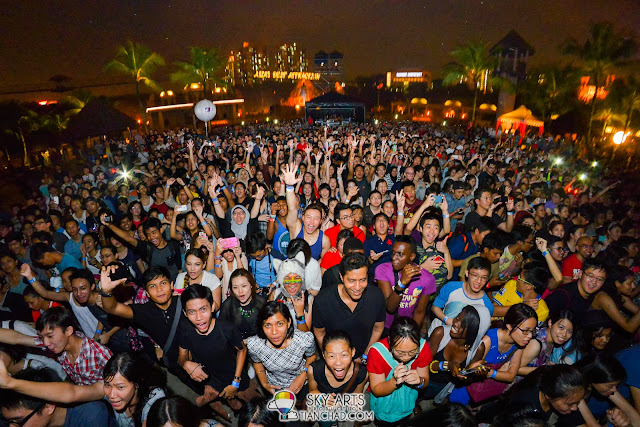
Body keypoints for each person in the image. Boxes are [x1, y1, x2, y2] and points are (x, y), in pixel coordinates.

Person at [178, 285, 258, 414]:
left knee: (252, 406)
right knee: (233, 404)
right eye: (192, 312)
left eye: (203, 309)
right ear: (185, 313)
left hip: (235, 377)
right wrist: (185, 363)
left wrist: (235, 383)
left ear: (213, 307)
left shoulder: (227, 328)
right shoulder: (185, 331)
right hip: (212, 380)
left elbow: (242, 350)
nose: (199, 317)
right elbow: (182, 356)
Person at [99, 265, 187, 372]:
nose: (159, 290)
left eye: (163, 283)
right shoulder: (143, 312)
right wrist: (106, 292)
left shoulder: (185, 302)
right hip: (174, 362)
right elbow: (112, 308)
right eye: (153, 286)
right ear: (147, 293)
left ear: (172, 285)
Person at [0, 306, 112, 387]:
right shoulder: (57, 344)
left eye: (50, 336)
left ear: (68, 331)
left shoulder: (99, 353)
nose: (46, 343)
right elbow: (18, 338)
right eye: (42, 337)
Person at [449, 304, 538, 405]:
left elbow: (510, 376)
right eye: (525, 331)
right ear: (509, 326)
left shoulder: (519, 345)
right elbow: (467, 372)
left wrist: (490, 373)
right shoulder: (488, 341)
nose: (530, 336)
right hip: (465, 387)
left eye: (532, 331)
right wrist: (496, 374)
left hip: (482, 390)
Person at [312, 252, 386, 361]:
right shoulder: (323, 300)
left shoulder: (376, 296)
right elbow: (319, 332)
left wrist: (365, 356)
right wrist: (332, 358)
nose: (357, 287)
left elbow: (378, 328)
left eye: (362, 280)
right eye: (351, 281)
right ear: (341, 277)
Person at [368, 317, 431, 426]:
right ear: (389, 341)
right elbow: (377, 389)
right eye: (400, 352)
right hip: (384, 403)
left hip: (407, 400)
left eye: (413, 352)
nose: (406, 357)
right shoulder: (376, 352)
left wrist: (420, 381)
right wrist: (394, 382)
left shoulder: (423, 347)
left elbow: (425, 381)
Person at [0, 368, 115, 427]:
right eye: (9, 422)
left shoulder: (92, 416)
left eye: (18, 422)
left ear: (49, 406)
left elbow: (72, 392)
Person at [246, 301, 316, 397]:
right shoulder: (255, 345)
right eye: (268, 325)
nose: (274, 332)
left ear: (288, 323)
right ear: (262, 327)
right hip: (274, 387)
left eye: (279, 324)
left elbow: (312, 356)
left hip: (302, 384)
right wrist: (264, 384)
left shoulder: (304, 340)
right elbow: (257, 361)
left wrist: (303, 376)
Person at [557, 354, 640, 427]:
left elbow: (635, 419)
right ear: (593, 378)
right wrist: (612, 423)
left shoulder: (605, 386)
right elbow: (593, 425)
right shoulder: (575, 391)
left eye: (616, 385)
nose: (614, 389)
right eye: (611, 385)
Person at [374, 236, 436, 331]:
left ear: (412, 257)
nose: (394, 258)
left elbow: (419, 312)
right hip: (384, 327)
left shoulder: (426, 278)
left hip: (406, 328)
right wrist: (402, 283)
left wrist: (413, 334)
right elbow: (390, 307)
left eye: (400, 254)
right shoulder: (382, 270)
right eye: (393, 253)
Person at [307, 330, 369, 425]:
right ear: (324, 355)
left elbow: (357, 396)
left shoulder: (361, 373)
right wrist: (323, 399)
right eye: (331, 356)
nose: (338, 362)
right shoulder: (314, 370)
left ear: (353, 352)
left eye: (344, 355)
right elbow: (312, 391)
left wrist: (344, 404)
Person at [426, 305, 483, 400]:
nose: (455, 323)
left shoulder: (478, 349)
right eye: (457, 317)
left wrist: (474, 374)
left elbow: (465, 379)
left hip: (443, 386)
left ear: (474, 331)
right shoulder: (440, 333)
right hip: (427, 379)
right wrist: (447, 365)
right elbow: (423, 365)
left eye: (463, 324)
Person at [429, 257, 494, 338]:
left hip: (458, 344)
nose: (478, 281)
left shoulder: (486, 306)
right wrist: (447, 320)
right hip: (436, 333)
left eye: (483, 278)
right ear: (467, 273)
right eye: (475, 275)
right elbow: (435, 307)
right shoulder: (451, 287)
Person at [104, 216, 182, 282]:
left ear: (161, 230)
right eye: (148, 234)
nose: (151, 237)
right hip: (157, 288)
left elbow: (179, 269)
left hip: (175, 286)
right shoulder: (147, 248)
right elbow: (128, 238)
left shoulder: (173, 246)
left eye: (154, 232)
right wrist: (110, 225)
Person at [505, 364, 587, 423]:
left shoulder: (570, 398)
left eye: (578, 402)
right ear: (549, 395)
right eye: (570, 404)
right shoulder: (524, 405)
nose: (575, 408)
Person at [520, 309, 581, 376]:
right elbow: (516, 370)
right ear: (550, 323)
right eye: (561, 327)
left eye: (569, 331)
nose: (564, 334)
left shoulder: (551, 341)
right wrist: (546, 370)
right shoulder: (536, 344)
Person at [545, 258, 607, 323]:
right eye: (590, 276)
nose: (594, 282)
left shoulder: (593, 295)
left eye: (599, 279)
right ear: (580, 274)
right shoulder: (562, 295)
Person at [218, 268, 266, 341]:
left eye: (244, 286)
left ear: (251, 285)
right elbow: (222, 331)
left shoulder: (262, 303)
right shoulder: (228, 305)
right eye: (235, 287)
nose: (240, 291)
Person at [271, 252, 313, 332]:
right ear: (282, 281)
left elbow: (305, 335)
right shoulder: (275, 294)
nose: (292, 283)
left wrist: (300, 314)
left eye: (297, 277)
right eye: (287, 278)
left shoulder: (309, 299)